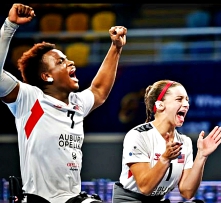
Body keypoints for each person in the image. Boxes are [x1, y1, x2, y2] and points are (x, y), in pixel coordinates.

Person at [0, 3, 127, 203]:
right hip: (39, 199)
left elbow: (99, 90)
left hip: (72, 198)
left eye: (67, 59)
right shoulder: (29, 98)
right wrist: (10, 26)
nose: (70, 63)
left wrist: (116, 48)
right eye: (60, 62)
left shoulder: (77, 103)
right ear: (46, 76)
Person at [112, 79, 221, 203]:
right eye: (179, 99)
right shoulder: (138, 135)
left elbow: (187, 192)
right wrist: (165, 159)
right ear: (160, 105)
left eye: (187, 100)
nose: (186, 104)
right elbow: (145, 187)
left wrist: (201, 155)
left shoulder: (184, 142)